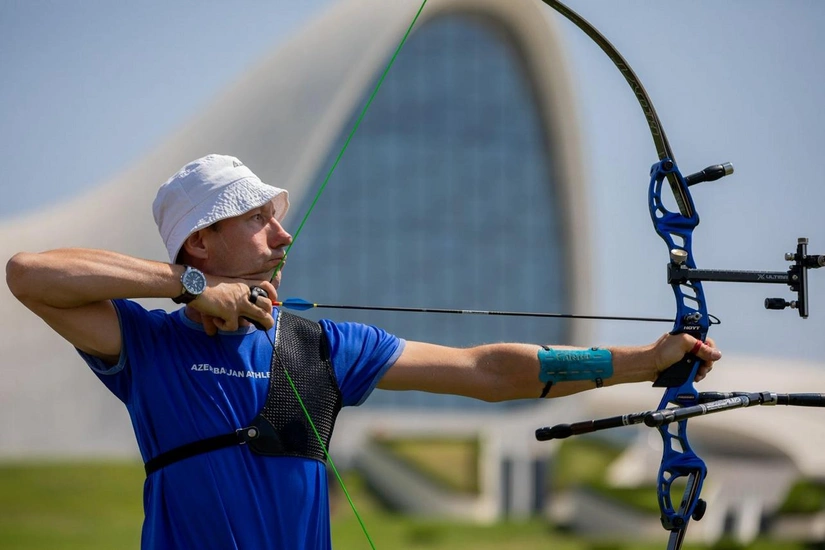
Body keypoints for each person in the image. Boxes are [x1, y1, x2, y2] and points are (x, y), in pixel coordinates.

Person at [5, 154, 721, 550]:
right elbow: (29, 274)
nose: (282, 238)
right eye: (257, 220)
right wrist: (190, 287)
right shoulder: (147, 342)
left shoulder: (324, 348)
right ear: (200, 239)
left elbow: (487, 372)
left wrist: (637, 362)